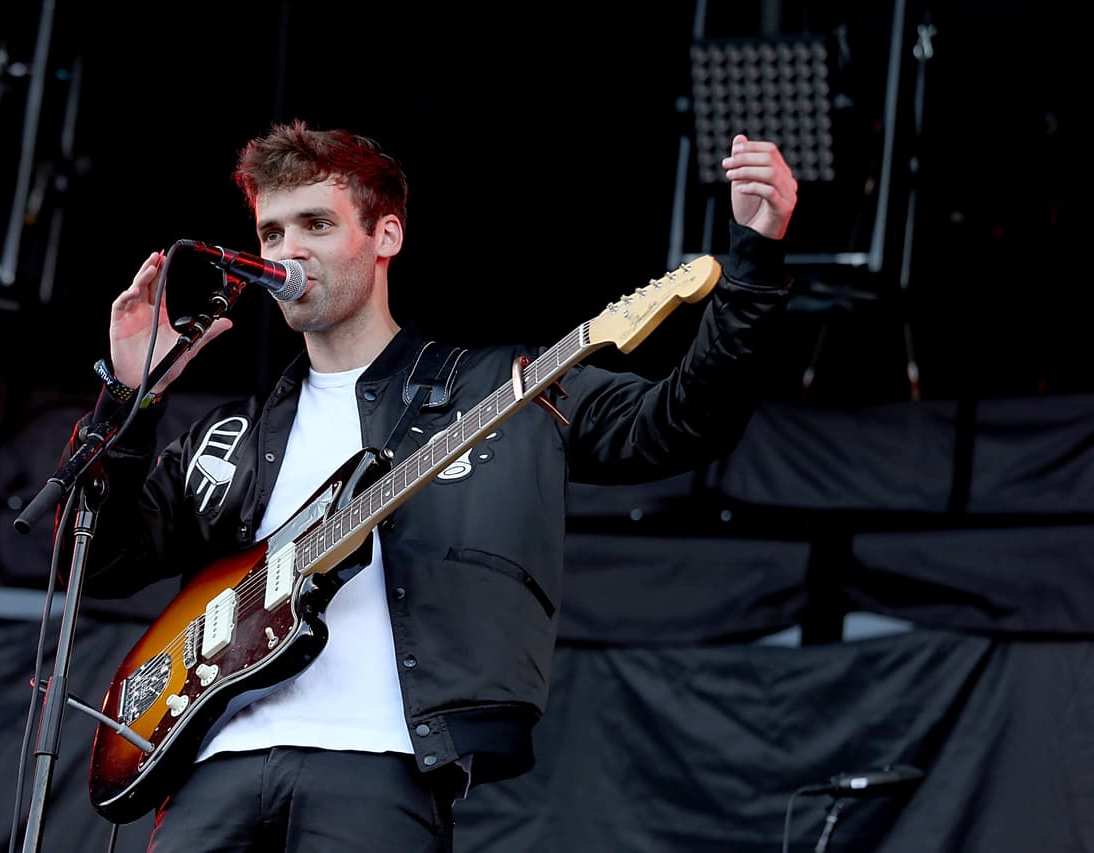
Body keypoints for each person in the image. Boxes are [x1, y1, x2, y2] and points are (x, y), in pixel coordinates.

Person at [73, 118, 797, 851]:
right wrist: (133, 400)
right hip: (212, 771)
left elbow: (679, 423)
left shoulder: (498, 388)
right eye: (271, 232)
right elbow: (99, 561)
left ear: (385, 236)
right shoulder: (236, 437)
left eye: (316, 224)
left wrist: (754, 265)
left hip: (378, 767)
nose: (288, 250)